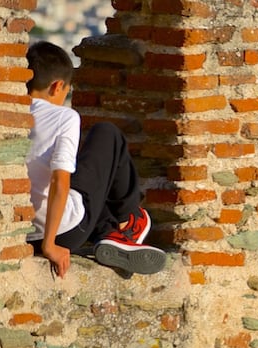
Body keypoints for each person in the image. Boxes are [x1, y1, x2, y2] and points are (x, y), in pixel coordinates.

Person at [25, 41, 165, 277]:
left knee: (85, 184)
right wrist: (50, 245)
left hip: (25, 235)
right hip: (63, 232)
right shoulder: (63, 117)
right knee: (106, 134)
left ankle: (108, 233)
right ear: (57, 86)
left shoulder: (8, 113)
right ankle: (129, 221)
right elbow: (60, 182)